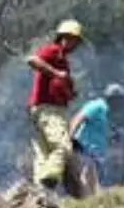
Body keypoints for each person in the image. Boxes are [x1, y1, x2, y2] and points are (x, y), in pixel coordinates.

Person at [26, 19, 84, 195]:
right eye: (72, 39)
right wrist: (57, 73)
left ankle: (40, 193)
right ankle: (49, 181)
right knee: (62, 147)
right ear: (62, 37)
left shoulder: (63, 60)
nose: (74, 44)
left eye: (76, 41)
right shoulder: (54, 51)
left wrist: (70, 92)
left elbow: (59, 85)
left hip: (42, 110)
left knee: (44, 153)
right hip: (47, 110)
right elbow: (32, 60)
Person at [69, 83, 124, 196]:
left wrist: (114, 135)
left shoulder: (108, 113)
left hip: (96, 155)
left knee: (93, 183)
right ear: (112, 99)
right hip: (83, 148)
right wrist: (70, 138)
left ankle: (88, 204)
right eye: (118, 101)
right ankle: (83, 203)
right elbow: (78, 118)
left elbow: (101, 131)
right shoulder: (97, 106)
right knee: (87, 175)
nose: (119, 105)